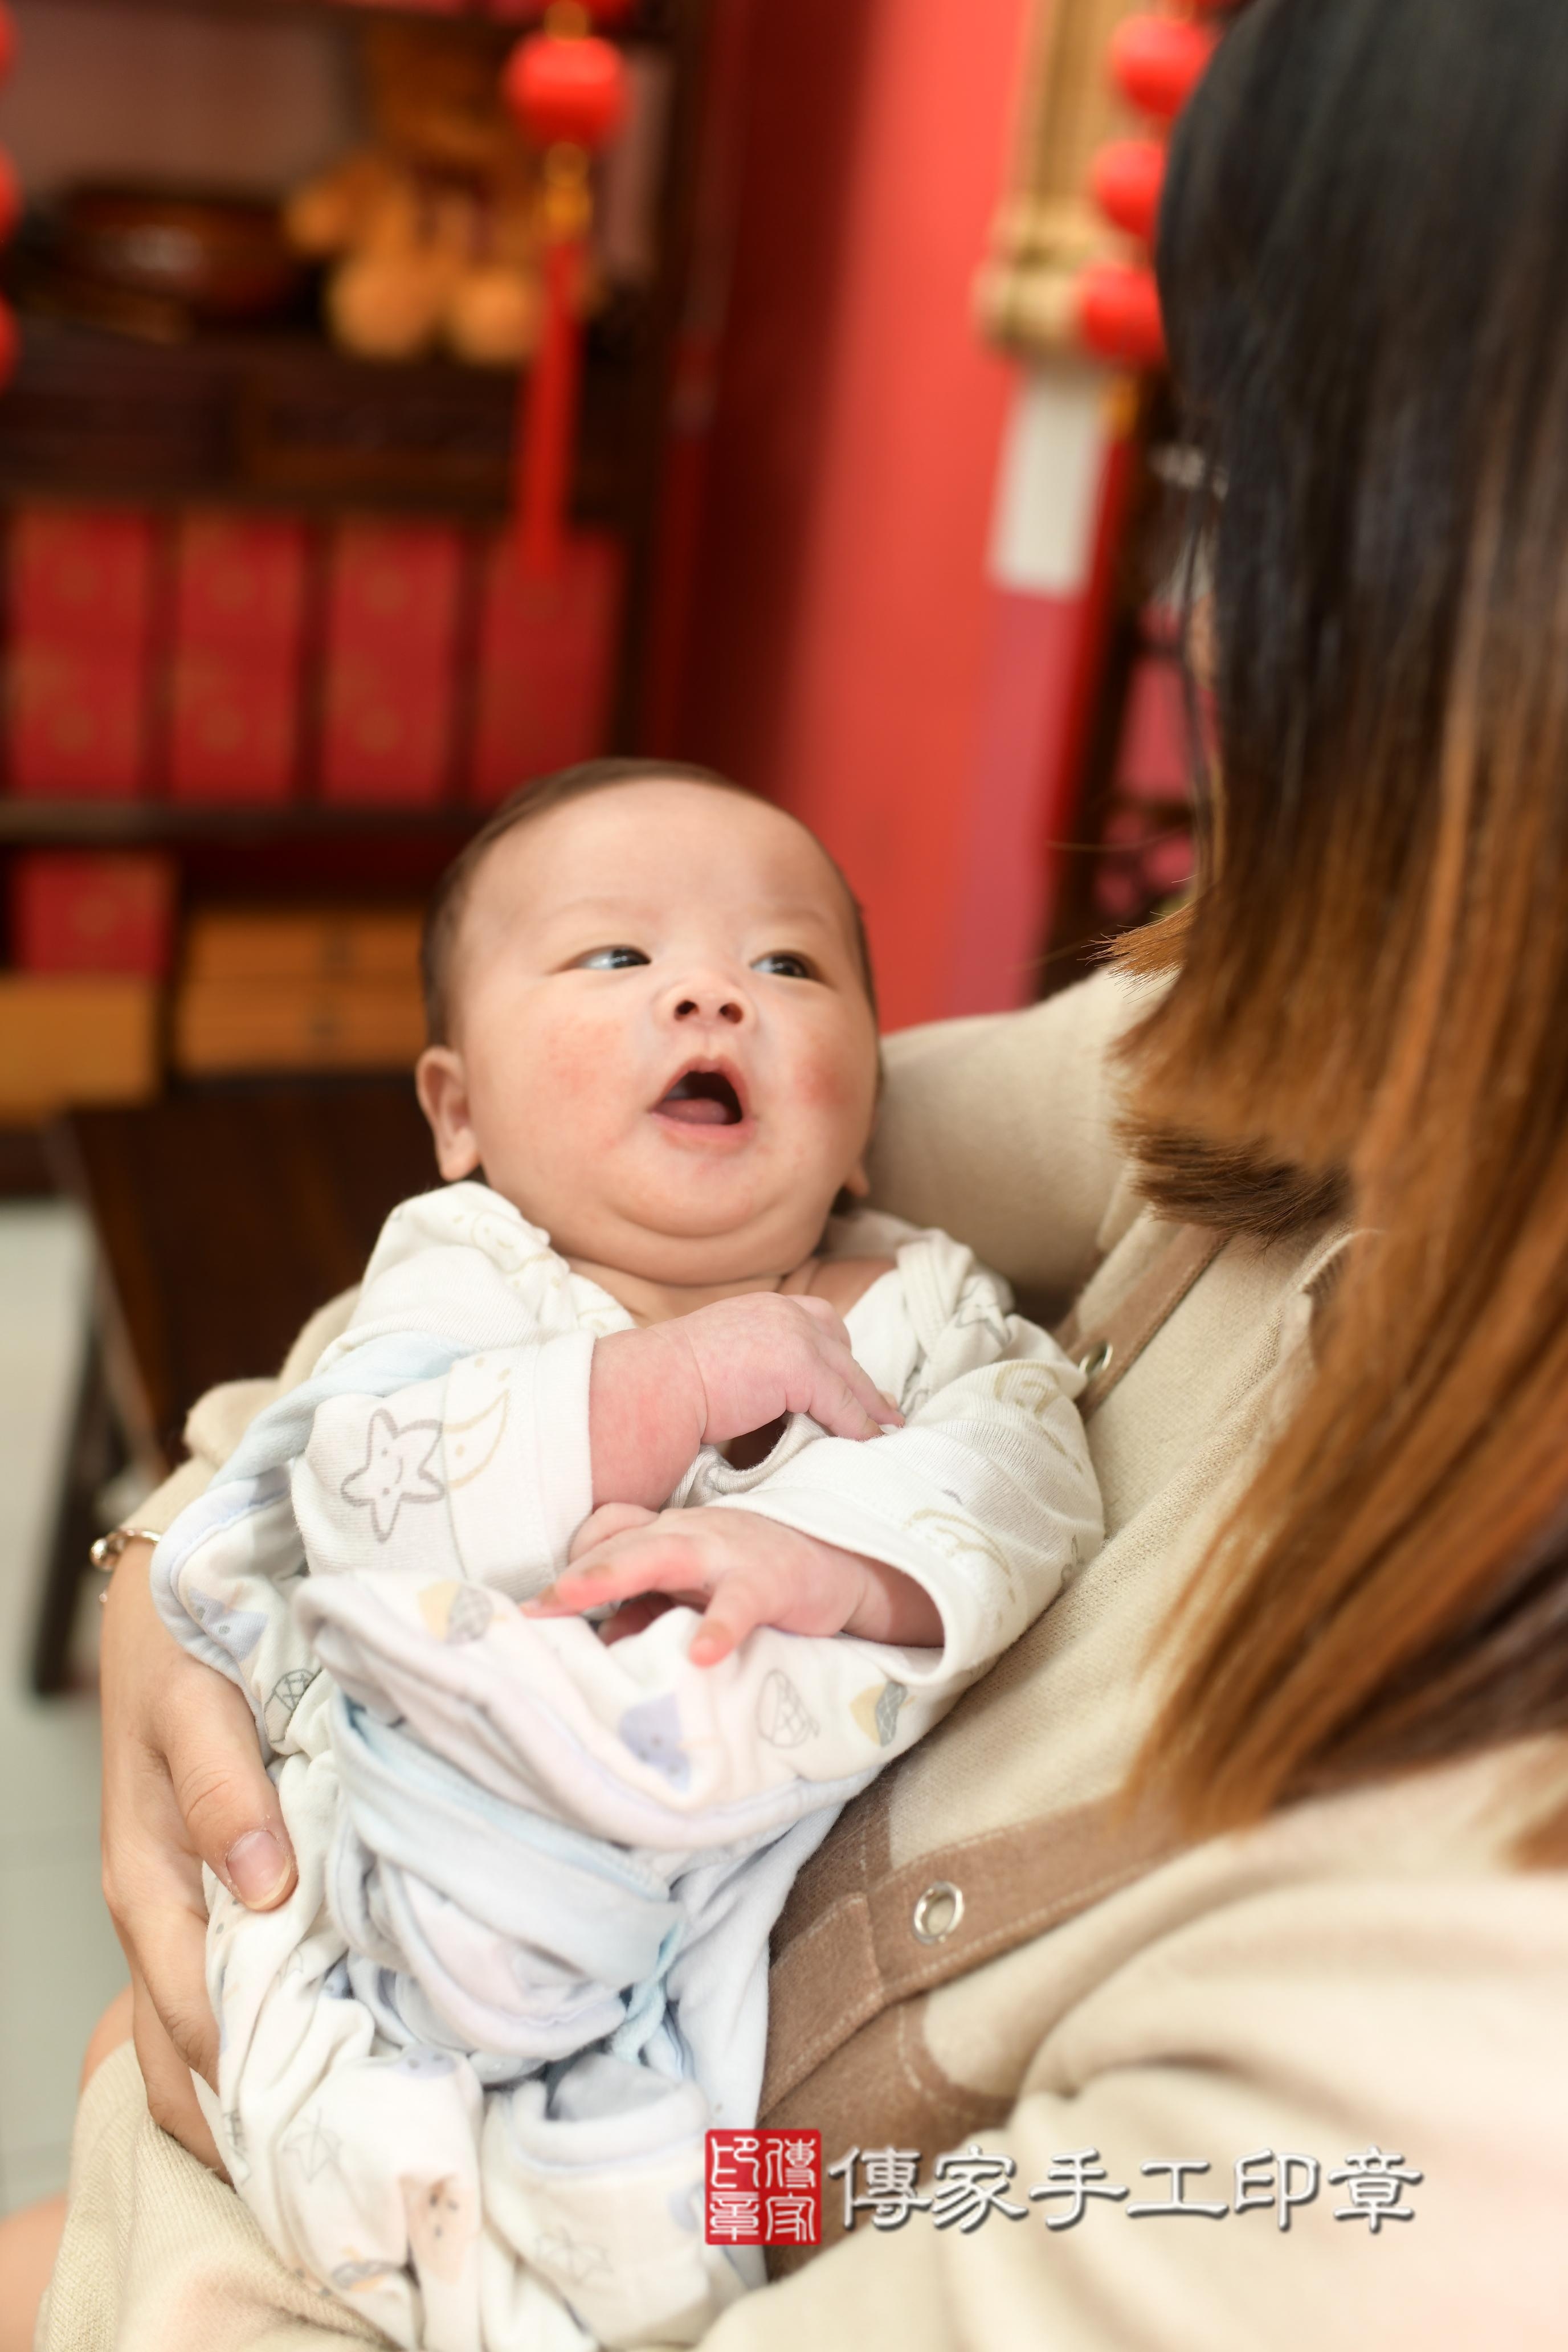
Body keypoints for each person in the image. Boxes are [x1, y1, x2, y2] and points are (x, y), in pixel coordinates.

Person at [21, 0, 1568, 2341]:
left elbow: (980, 1477)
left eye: (1239, 509)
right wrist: (199, 1537)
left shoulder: (1447, 2088)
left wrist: (162, 2211)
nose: (1208, 619)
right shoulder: (1357, 1028)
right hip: (400, 1871)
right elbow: (579, 1220)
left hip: (618, 2115)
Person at [143, 762, 1099, 2349]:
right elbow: (350, 1485)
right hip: (405, 1845)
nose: (714, 993)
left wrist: (826, 1565)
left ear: (868, 1103)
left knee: (723, 2196)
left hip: (717, 1901)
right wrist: (653, 1392)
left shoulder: (922, 1303)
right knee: (294, 2076)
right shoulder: (463, 1270)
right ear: (458, 1112)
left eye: (788, 966)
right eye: (615, 959)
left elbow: (1029, 1478)